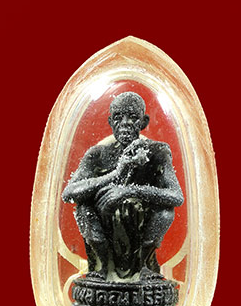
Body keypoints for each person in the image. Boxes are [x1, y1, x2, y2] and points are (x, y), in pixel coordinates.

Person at [62, 91, 184, 280]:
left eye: (133, 117)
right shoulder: (97, 154)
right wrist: (115, 174)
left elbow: (176, 196)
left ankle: (145, 266)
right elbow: (69, 193)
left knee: (165, 212)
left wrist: (129, 191)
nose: (125, 123)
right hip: (105, 222)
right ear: (111, 122)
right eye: (119, 117)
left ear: (143, 122)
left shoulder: (157, 151)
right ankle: (101, 268)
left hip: (141, 223)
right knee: (83, 209)